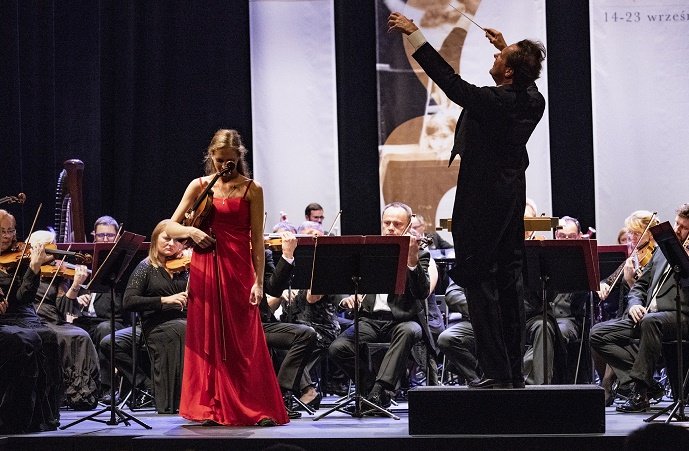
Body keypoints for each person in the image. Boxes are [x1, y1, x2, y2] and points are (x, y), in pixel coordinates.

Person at [388, 12, 546, 388]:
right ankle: (511, 374)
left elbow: (450, 82)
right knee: (509, 284)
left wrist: (415, 34)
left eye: (499, 57)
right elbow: (522, 83)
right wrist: (507, 47)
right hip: (510, 198)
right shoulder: (533, 100)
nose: (494, 55)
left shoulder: (494, 101)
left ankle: (495, 373)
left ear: (509, 72)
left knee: (479, 284)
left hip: (481, 202)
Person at [166, 129, 288, 426]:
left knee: (243, 341)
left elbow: (256, 239)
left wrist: (258, 282)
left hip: (238, 270)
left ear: (239, 157)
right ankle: (212, 407)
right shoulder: (199, 186)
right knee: (207, 337)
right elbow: (169, 226)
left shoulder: (252, 189)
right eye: (219, 160)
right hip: (205, 269)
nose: (224, 165)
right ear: (212, 157)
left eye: (229, 160)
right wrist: (191, 231)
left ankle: (254, 407)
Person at [328, 202, 435, 411]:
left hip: (403, 321)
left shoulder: (419, 253)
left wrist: (412, 260)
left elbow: (422, 292)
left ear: (407, 226)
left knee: (408, 331)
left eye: (397, 224)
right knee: (337, 348)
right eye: (387, 223)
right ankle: (373, 392)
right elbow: (342, 279)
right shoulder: (369, 251)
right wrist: (347, 298)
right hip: (370, 320)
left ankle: (378, 391)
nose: (391, 228)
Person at [590, 203, 689, 413]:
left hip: (680, 316)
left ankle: (640, 393)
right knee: (597, 333)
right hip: (648, 316)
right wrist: (635, 304)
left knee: (651, 321)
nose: (678, 230)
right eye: (677, 224)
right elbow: (641, 285)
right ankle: (647, 383)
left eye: (684, 227)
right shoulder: (662, 250)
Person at [102, 219, 188, 414]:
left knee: (184, 328)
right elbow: (129, 301)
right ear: (155, 238)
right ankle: (149, 386)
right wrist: (164, 300)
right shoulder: (146, 267)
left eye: (177, 241)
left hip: (181, 321)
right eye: (166, 238)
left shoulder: (184, 268)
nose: (171, 244)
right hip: (152, 323)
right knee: (109, 342)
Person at [0, 209, 61, 433]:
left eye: (11, 231)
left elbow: (23, 298)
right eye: (2, 231)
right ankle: (24, 414)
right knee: (34, 338)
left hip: (24, 313)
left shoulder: (21, 257)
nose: (8, 236)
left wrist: (34, 267)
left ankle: (46, 415)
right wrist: (34, 268)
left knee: (49, 337)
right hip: (7, 317)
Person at [29, 230, 101, 410]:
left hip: (54, 320)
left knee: (81, 335)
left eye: (54, 244)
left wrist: (75, 285)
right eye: (48, 247)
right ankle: (64, 392)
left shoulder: (58, 272)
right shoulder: (25, 270)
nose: (54, 251)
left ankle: (81, 392)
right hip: (34, 319)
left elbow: (64, 309)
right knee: (68, 337)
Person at [70, 215, 129, 402]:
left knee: (105, 330)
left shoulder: (123, 265)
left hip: (112, 321)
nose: (104, 239)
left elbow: (122, 305)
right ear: (93, 236)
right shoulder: (84, 262)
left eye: (109, 236)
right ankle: (76, 388)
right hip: (85, 320)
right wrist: (77, 298)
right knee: (70, 332)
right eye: (100, 235)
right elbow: (69, 301)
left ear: (117, 237)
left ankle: (106, 388)